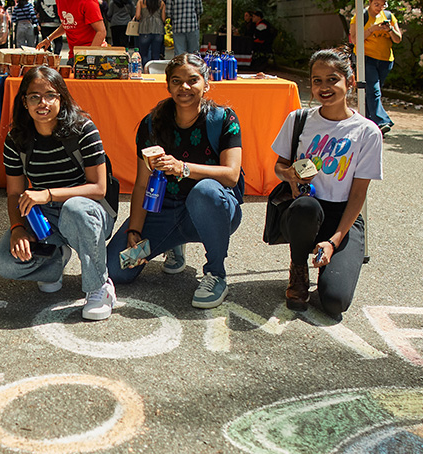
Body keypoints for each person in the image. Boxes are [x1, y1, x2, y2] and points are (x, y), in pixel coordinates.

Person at [105, 53, 243, 309]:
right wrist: (134, 230)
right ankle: (173, 244)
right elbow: (142, 184)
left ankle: (216, 273)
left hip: (213, 210)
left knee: (205, 193)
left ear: (206, 82)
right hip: (164, 211)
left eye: (193, 80)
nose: (185, 87)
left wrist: (184, 168)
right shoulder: (153, 123)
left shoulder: (223, 119)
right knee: (117, 269)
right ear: (168, 85)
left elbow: (231, 175)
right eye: (177, 81)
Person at [0, 66, 117, 321]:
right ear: (24, 102)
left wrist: (47, 194)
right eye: (34, 96)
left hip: (89, 212)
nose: (43, 103)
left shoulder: (83, 129)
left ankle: (99, 286)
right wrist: (18, 227)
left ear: (62, 97)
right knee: (4, 262)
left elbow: (98, 188)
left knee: (75, 209)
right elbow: (15, 192)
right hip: (45, 216)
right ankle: (56, 258)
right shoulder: (16, 138)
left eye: (50, 95)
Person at [270, 48, 382, 319]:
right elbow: (279, 166)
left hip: (343, 216)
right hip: (303, 210)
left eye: (332, 79)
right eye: (317, 80)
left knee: (334, 303)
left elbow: (358, 196)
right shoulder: (299, 119)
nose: (324, 87)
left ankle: (327, 260)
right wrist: (291, 175)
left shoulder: (367, 132)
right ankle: (298, 269)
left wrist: (334, 241)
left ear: (350, 82)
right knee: (306, 206)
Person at [348, 0, 402, 134]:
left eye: (382, 5)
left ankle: (366, 123)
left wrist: (389, 29)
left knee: (370, 93)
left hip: (385, 60)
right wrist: (372, 29)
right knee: (374, 90)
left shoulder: (389, 16)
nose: (379, 8)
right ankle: (382, 121)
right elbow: (354, 40)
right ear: (370, 3)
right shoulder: (361, 17)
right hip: (366, 58)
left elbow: (398, 39)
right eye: (376, 4)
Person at [34, 0, 106, 56]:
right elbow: (67, 24)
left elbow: (101, 31)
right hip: (74, 53)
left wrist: (89, 56)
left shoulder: (88, 2)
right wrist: (49, 38)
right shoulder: (60, 1)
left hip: (90, 52)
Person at [134, 0, 165, 65]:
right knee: (156, 54)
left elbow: (138, 16)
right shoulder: (161, 3)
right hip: (158, 29)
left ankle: (146, 71)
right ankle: (154, 71)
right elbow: (163, 18)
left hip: (144, 29)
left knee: (144, 54)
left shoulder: (141, 2)